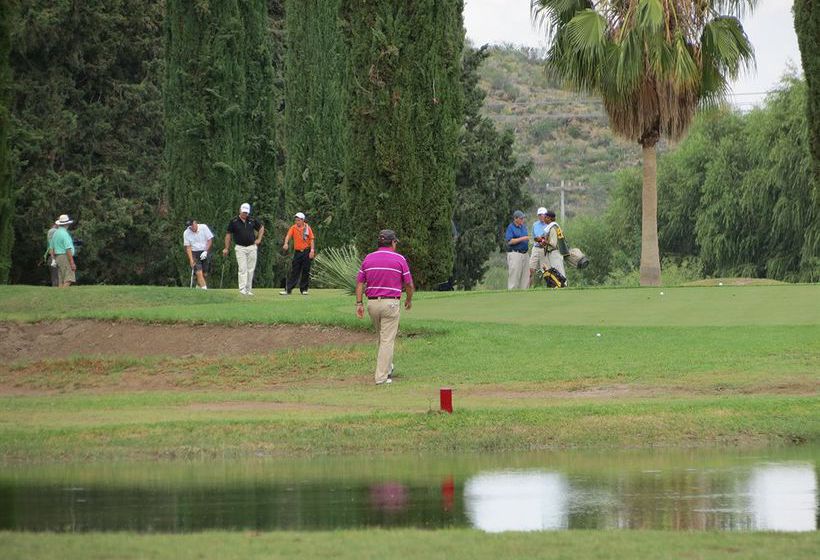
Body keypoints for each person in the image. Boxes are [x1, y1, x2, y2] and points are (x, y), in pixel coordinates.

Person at [355, 230, 414, 385]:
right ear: (392, 242)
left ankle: (387, 367)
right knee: (387, 340)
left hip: (372, 304)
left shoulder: (368, 258)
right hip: (391, 303)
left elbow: (360, 282)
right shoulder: (399, 259)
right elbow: (408, 284)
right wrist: (409, 299)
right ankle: (381, 377)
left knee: (382, 338)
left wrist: (359, 303)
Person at [222, 202, 265, 296]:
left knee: (251, 269)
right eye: (244, 212)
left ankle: (248, 289)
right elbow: (228, 235)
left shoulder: (252, 220)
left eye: (246, 212)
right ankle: (242, 289)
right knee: (242, 268)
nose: (245, 214)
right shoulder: (234, 221)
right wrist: (226, 248)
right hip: (240, 248)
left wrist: (259, 239)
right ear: (240, 211)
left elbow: (261, 228)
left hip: (252, 247)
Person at [279, 212, 315, 296]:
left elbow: (312, 239)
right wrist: (286, 243)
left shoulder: (307, 228)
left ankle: (304, 289)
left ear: (302, 220)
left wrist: (312, 250)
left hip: (306, 251)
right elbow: (288, 236)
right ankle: (288, 289)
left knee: (306, 270)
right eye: (296, 220)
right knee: (294, 271)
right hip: (298, 252)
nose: (297, 222)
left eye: (298, 220)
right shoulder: (293, 227)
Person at [183, 219, 214, 289]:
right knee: (198, 272)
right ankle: (204, 289)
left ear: (195, 223)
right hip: (194, 253)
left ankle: (198, 286)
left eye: (192, 225)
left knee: (205, 274)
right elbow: (188, 247)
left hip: (204, 251)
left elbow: (210, 240)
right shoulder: (186, 233)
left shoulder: (204, 227)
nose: (191, 228)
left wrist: (206, 251)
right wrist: (191, 259)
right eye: (189, 226)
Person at [504, 210, 529, 289]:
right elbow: (510, 241)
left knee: (525, 277)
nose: (523, 220)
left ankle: (524, 296)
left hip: (525, 254)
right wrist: (523, 238)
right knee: (514, 276)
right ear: (515, 219)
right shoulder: (511, 227)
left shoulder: (523, 227)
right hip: (515, 254)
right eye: (521, 218)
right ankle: (512, 295)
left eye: (523, 218)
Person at [50, 214, 76, 288]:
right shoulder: (64, 234)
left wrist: (53, 259)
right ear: (67, 224)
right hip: (65, 257)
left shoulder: (55, 233)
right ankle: (63, 293)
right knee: (69, 278)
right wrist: (72, 263)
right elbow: (68, 249)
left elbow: (51, 248)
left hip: (58, 257)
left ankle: (60, 296)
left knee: (61, 279)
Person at [542, 210, 568, 282]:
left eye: (546, 217)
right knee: (556, 272)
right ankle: (560, 287)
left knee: (559, 272)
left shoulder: (553, 228)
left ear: (549, 218)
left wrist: (543, 241)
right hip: (555, 253)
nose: (544, 219)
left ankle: (564, 286)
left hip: (555, 253)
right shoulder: (554, 226)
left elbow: (553, 243)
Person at [528, 207, 550, 287]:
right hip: (536, 248)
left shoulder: (549, 224)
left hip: (544, 249)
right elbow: (534, 237)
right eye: (539, 215)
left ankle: (548, 286)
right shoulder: (535, 225)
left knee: (546, 270)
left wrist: (543, 241)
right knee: (531, 269)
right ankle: (529, 288)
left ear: (546, 215)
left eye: (543, 214)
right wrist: (538, 240)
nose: (541, 216)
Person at [44, 222, 59, 287]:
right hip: (55, 256)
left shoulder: (51, 231)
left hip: (52, 256)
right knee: (57, 277)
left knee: (55, 276)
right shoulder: (53, 231)